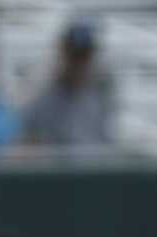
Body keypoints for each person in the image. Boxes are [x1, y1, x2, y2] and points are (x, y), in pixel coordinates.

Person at [20, 20, 115, 151]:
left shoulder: (100, 98)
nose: (78, 64)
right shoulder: (43, 98)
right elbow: (27, 145)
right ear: (63, 54)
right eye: (74, 56)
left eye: (84, 57)